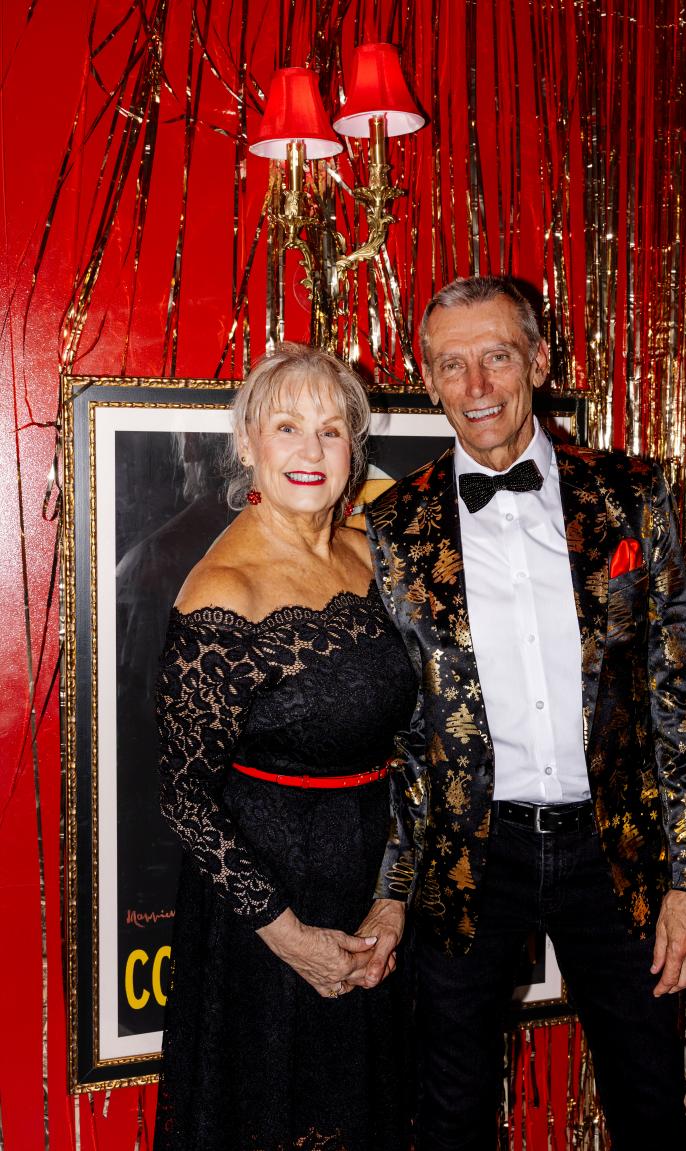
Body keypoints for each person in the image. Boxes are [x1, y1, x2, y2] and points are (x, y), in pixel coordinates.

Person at [358, 276, 686, 1151]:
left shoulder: (633, 493)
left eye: (497, 356)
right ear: (430, 380)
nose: (477, 385)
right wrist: (392, 893)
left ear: (539, 362)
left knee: (649, 1103)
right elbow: (407, 738)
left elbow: (679, 697)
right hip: (470, 853)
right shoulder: (393, 526)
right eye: (452, 365)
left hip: (616, 848)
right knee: (450, 1114)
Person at [153, 343, 417, 1151]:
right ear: (247, 443)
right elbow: (183, 798)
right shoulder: (222, 592)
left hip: (371, 899)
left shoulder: (372, 554)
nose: (312, 449)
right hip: (265, 917)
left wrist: (395, 894)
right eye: (288, 427)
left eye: (332, 430)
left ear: (354, 449)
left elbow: (420, 739)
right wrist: (290, 935)